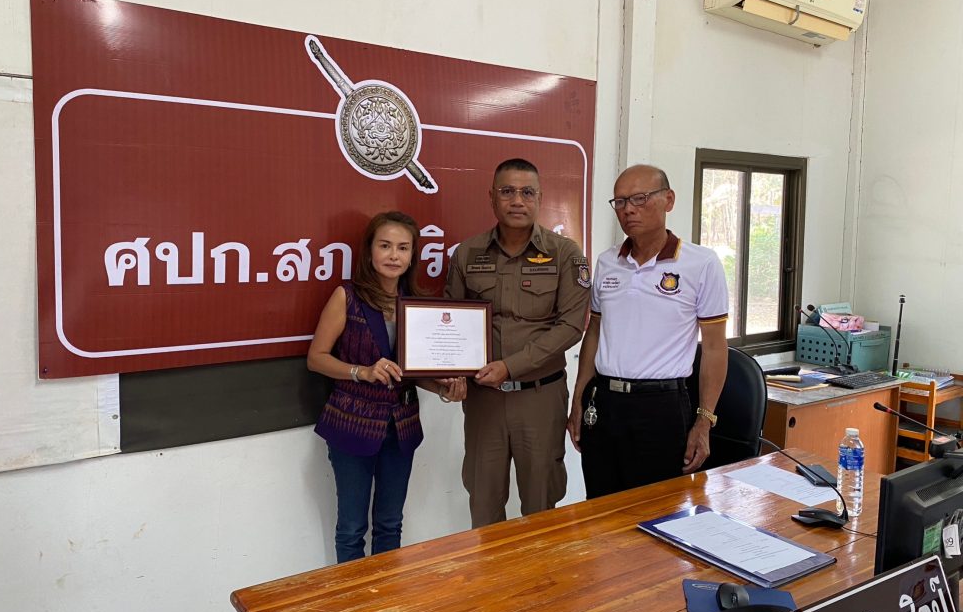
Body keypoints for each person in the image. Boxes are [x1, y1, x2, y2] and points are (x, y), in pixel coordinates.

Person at [308, 211, 466, 563]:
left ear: (412, 256)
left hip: (401, 426)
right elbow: (316, 358)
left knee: (390, 524)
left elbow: (411, 371)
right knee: (351, 529)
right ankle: (354, 596)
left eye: (403, 248)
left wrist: (443, 389)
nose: (394, 255)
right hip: (352, 423)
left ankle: (385, 596)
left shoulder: (417, 303)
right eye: (385, 246)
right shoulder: (346, 297)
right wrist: (361, 372)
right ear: (369, 251)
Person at [567, 164, 728, 498]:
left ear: (668, 200)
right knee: (600, 507)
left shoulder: (701, 263)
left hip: (662, 407)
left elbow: (714, 347)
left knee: (657, 511)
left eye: (639, 198)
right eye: (620, 201)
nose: (628, 209)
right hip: (605, 403)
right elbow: (594, 332)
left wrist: (704, 420)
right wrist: (579, 398)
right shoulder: (608, 262)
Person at [445, 158, 590, 528]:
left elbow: (571, 326)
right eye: (507, 191)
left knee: (540, 507)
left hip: (540, 398)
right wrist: (447, 374)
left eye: (527, 192)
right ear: (492, 198)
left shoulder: (565, 254)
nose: (517, 201)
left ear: (540, 198)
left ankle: (540, 570)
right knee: (484, 503)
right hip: (484, 401)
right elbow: (451, 323)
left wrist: (510, 367)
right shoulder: (467, 254)